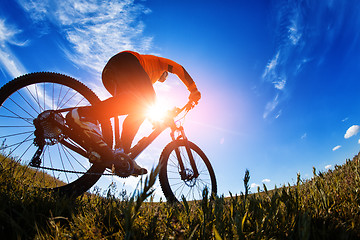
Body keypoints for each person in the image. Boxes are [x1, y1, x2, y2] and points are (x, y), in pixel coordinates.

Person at [66, 51, 201, 176]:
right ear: (165, 72)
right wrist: (193, 90)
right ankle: (84, 115)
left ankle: (122, 155)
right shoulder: (160, 64)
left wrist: (154, 120)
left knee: (136, 108)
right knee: (149, 98)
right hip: (125, 61)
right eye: (166, 75)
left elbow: (144, 107)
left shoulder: (146, 76)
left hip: (111, 75)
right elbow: (179, 69)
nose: (165, 78)